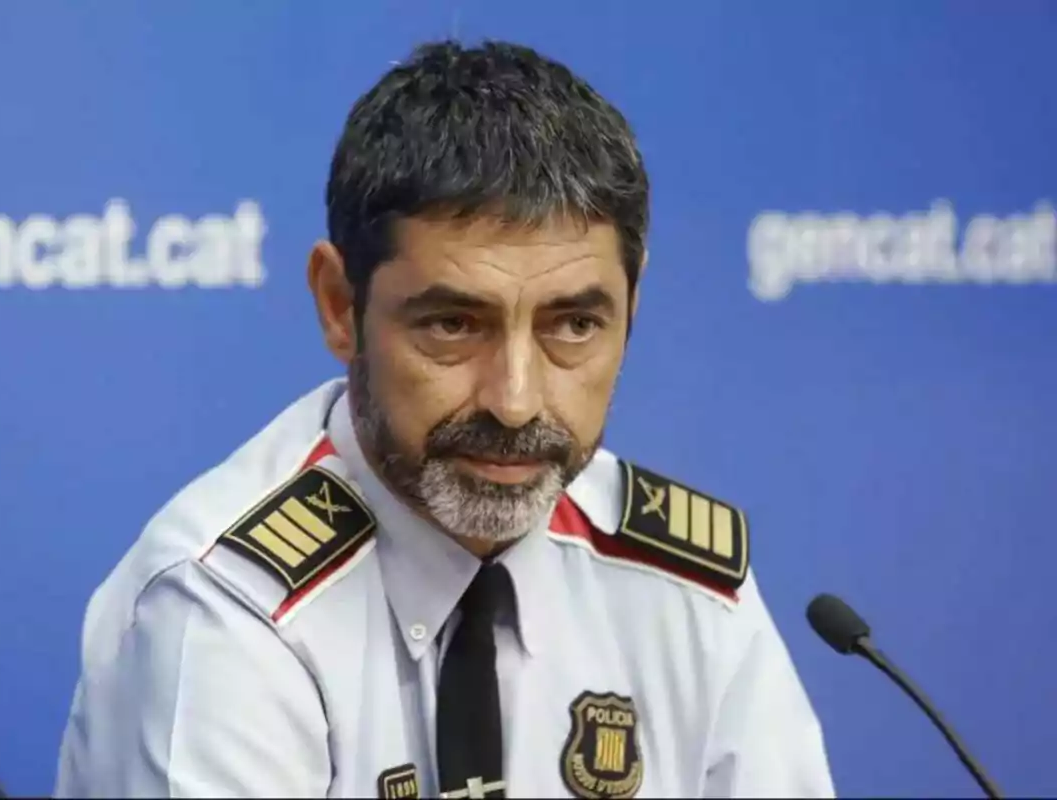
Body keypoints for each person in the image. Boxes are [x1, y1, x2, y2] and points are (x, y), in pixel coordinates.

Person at [54, 39, 834, 799]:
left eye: (574, 326)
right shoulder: (226, 608)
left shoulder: (683, 590)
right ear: (339, 304)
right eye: (455, 326)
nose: (517, 399)